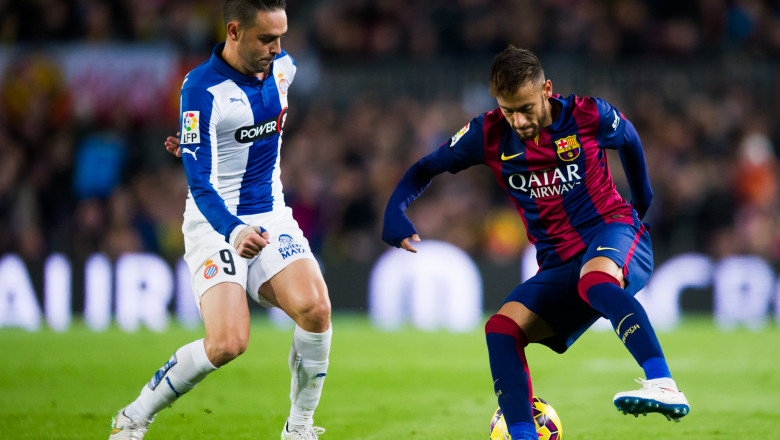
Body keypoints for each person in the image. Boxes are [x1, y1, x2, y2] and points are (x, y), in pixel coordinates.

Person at [382, 46, 689, 440]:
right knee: (501, 328)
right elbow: (426, 167)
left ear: (547, 89)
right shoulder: (487, 134)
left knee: (594, 282)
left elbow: (628, 138)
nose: (519, 120)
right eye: (509, 110)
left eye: (526, 107)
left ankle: (662, 383)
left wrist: (642, 198)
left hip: (611, 229)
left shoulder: (587, 114)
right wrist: (395, 209)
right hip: (559, 262)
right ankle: (525, 435)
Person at [109, 1, 332, 439]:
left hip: (270, 213)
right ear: (234, 31)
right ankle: (133, 416)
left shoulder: (284, 69)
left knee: (316, 309)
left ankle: (299, 428)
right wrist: (234, 228)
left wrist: (205, 142)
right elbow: (201, 183)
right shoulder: (199, 88)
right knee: (228, 343)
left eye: (282, 36)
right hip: (217, 223)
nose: (277, 47)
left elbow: (238, 136)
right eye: (266, 39)